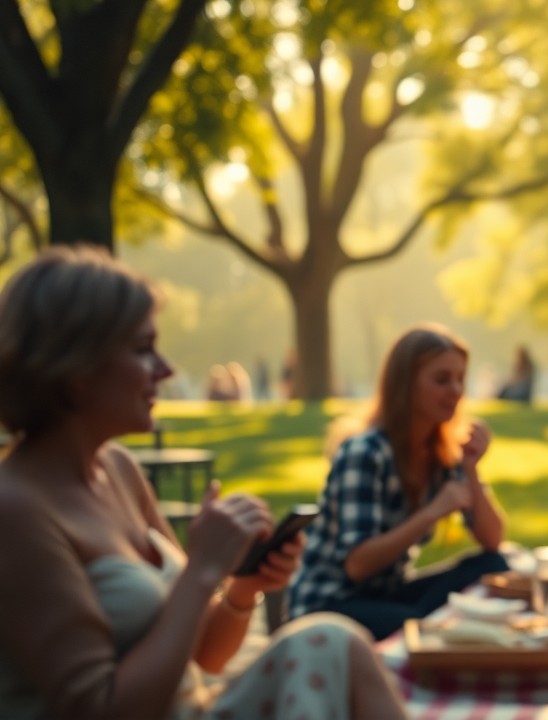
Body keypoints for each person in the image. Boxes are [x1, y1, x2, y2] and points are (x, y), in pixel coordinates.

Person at [0, 246, 405, 719]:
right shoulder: (17, 510)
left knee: (333, 641)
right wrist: (203, 571)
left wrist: (241, 589)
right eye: (142, 349)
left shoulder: (119, 471)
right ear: (76, 371)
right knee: (326, 643)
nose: (166, 370)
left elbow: (205, 654)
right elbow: (98, 710)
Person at [290, 324, 509, 640]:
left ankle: (439, 632)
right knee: (415, 625)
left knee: (493, 565)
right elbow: (357, 566)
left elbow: (492, 540)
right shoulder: (364, 452)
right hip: (329, 604)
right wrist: (431, 512)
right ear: (405, 384)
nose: (456, 390)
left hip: (388, 593)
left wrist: (471, 468)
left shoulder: (442, 454)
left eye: (461, 378)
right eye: (442, 379)